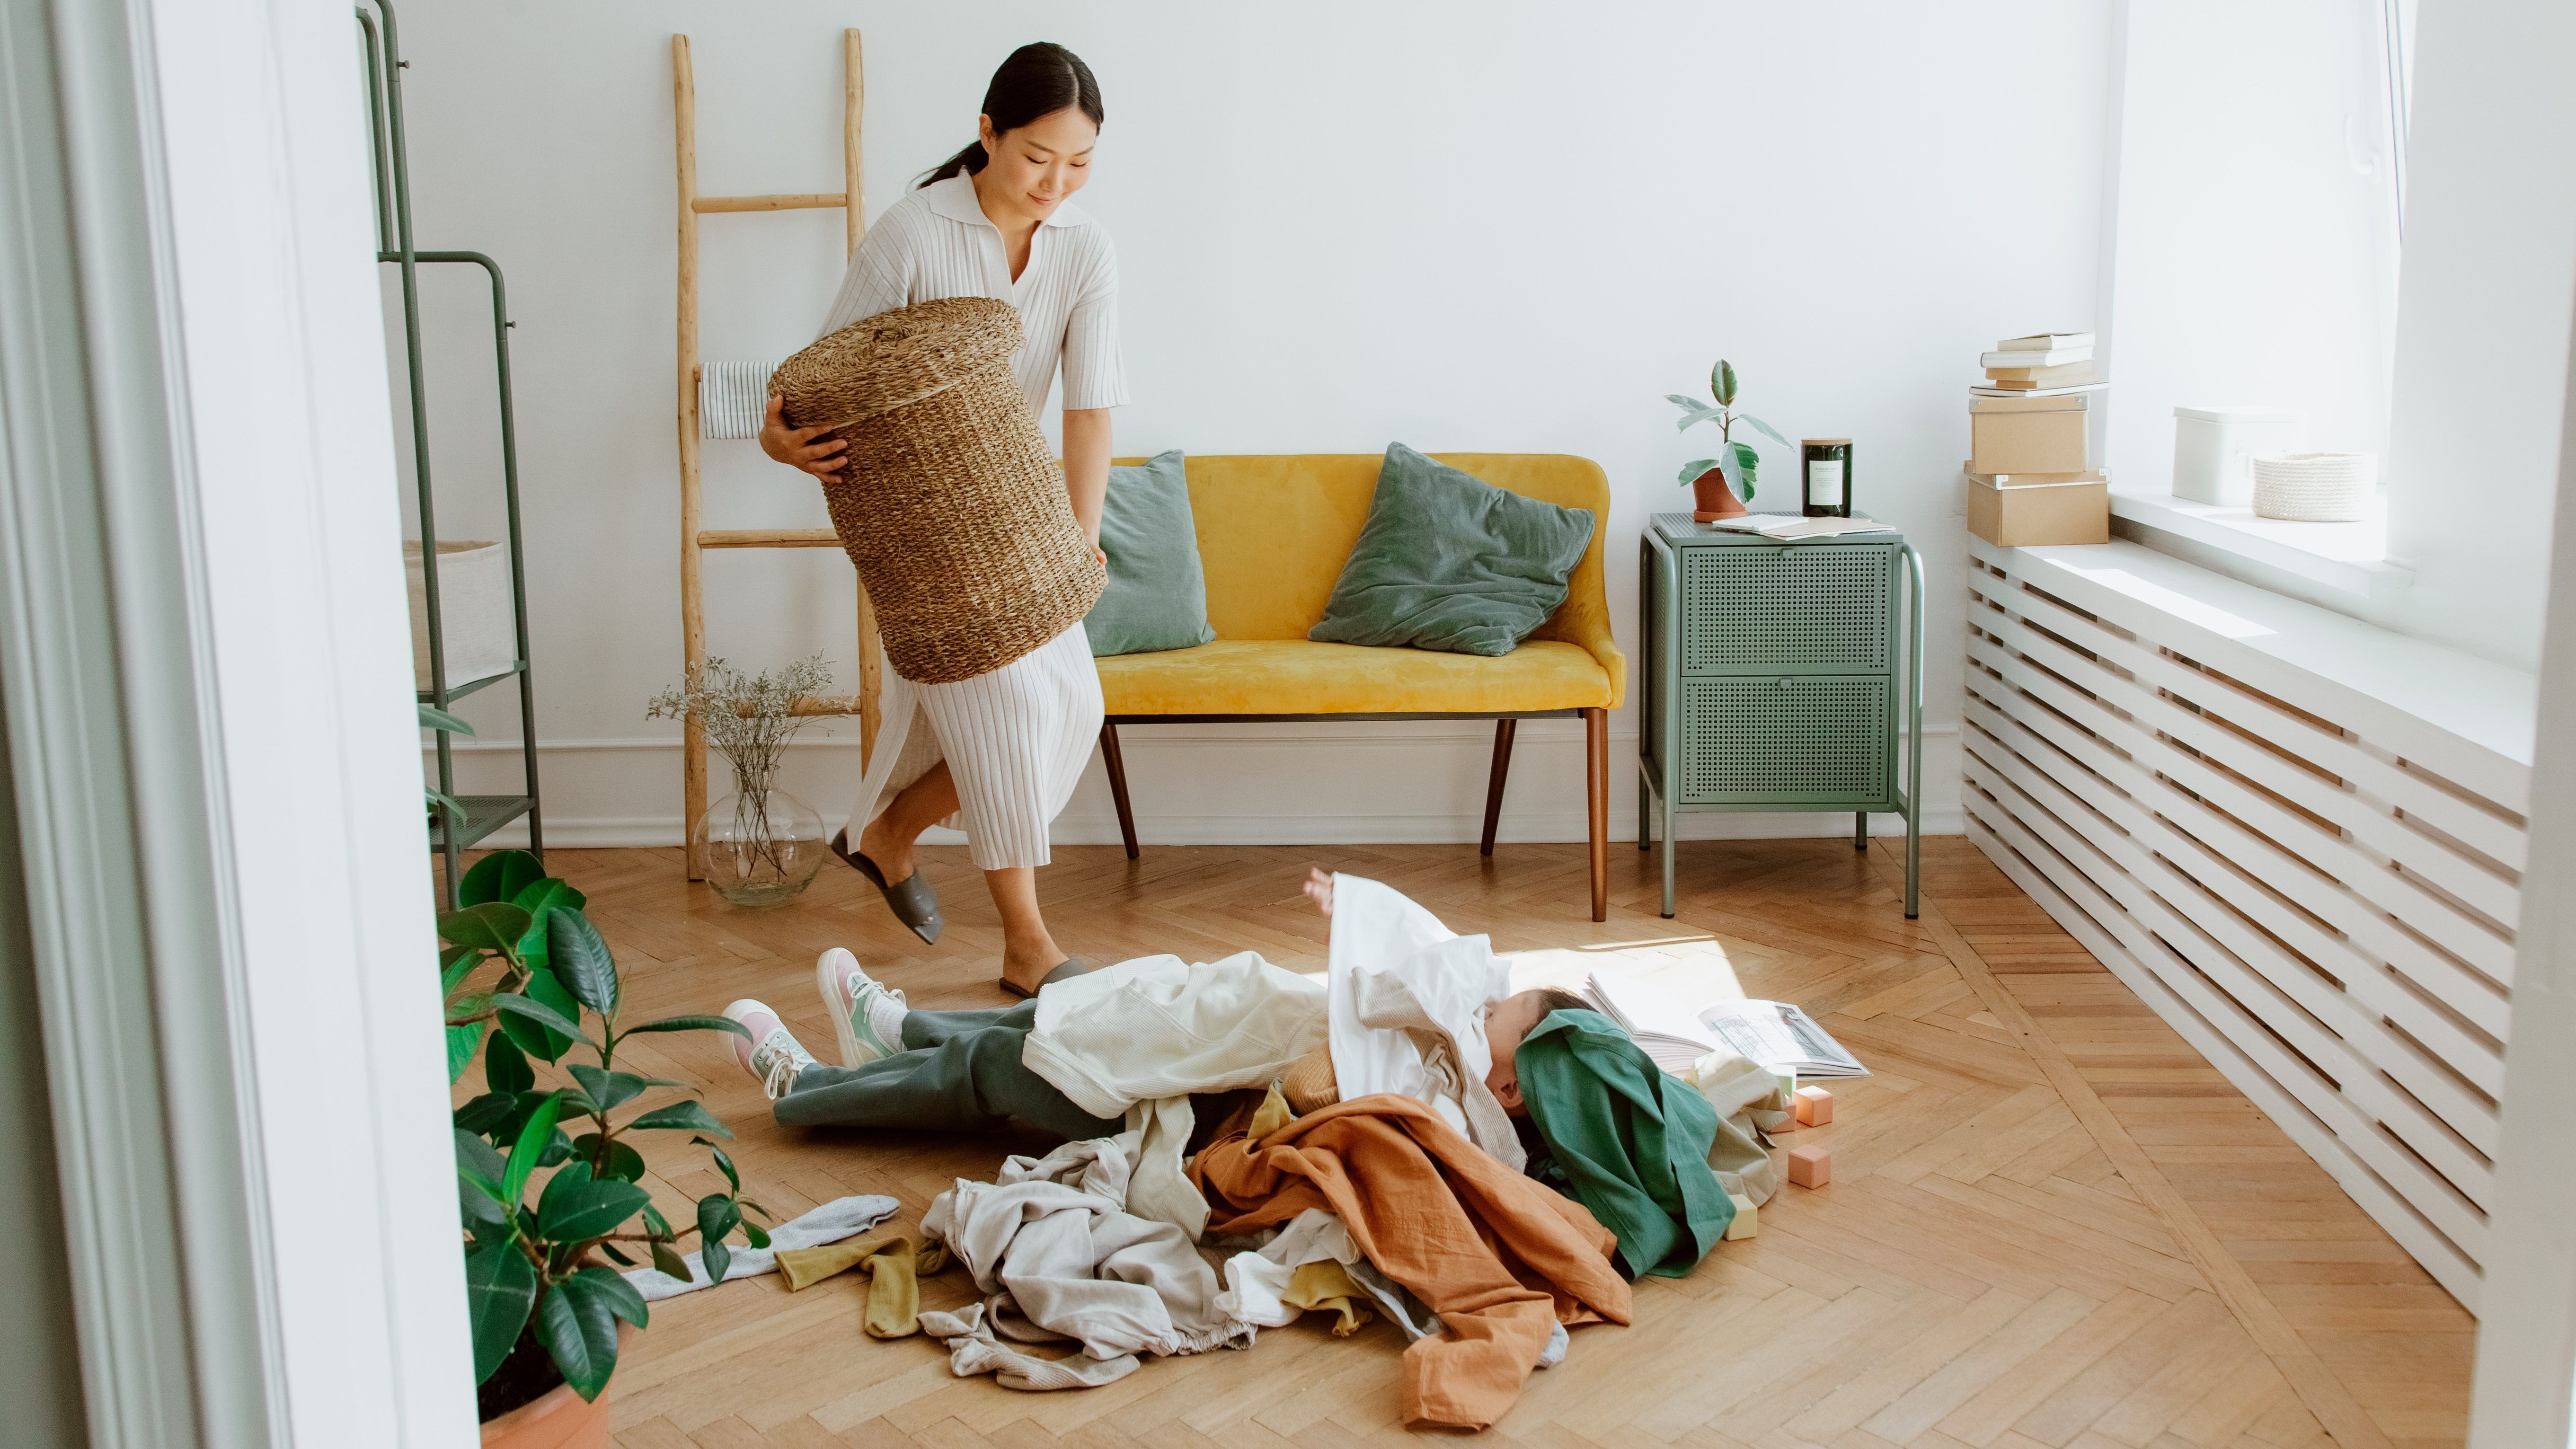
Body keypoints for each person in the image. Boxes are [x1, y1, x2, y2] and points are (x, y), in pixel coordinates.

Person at [761, 42, 1123, 998]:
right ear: (988, 133)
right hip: (919, 525)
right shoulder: (913, 233)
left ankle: (888, 832)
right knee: (1003, 716)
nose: (1055, 182)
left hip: (1023, 518)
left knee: (1073, 709)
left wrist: (1081, 535)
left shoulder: (1085, 248)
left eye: (1079, 162)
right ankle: (1027, 944)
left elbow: (1089, 410)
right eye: (1037, 156)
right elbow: (818, 378)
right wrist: (778, 442)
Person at [722, 870, 1586, 1144]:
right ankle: (894, 1032)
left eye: (1498, 1015)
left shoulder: (1449, 1114)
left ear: (1510, 1086)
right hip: (1207, 1016)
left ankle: (805, 1087)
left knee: (1003, 1061)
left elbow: (1321, 1087)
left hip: (1172, 1099)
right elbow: (1427, 966)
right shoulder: (1450, 1044)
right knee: (1068, 998)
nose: (1484, 1005)